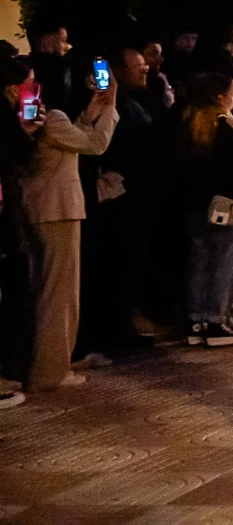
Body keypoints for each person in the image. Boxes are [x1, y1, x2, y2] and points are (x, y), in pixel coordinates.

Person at [21, 59, 116, 391]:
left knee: (44, 290)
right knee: (58, 295)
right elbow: (95, 143)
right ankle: (50, 371)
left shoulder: (32, 120)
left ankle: (44, 366)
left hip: (38, 209)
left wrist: (93, 110)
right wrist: (110, 106)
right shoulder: (51, 118)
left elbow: (76, 136)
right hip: (57, 211)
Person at [79, 48, 165, 355]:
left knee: (130, 267)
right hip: (119, 201)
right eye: (137, 67)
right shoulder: (113, 105)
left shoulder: (140, 101)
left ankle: (121, 325)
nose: (145, 71)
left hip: (140, 197)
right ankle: (109, 331)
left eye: (146, 66)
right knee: (114, 266)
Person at [172, 73, 233, 350]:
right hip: (223, 204)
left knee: (199, 261)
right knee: (224, 262)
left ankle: (196, 320)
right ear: (219, 96)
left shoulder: (187, 125)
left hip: (193, 205)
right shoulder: (224, 127)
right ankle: (217, 320)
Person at [1, 58, 44, 406]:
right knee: (15, 289)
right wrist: (25, 133)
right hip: (4, 218)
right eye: (29, 86)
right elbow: (15, 157)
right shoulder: (4, 118)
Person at [24, 21, 72, 113]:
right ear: (49, 43)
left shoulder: (24, 70)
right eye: (63, 41)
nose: (67, 46)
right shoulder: (61, 68)